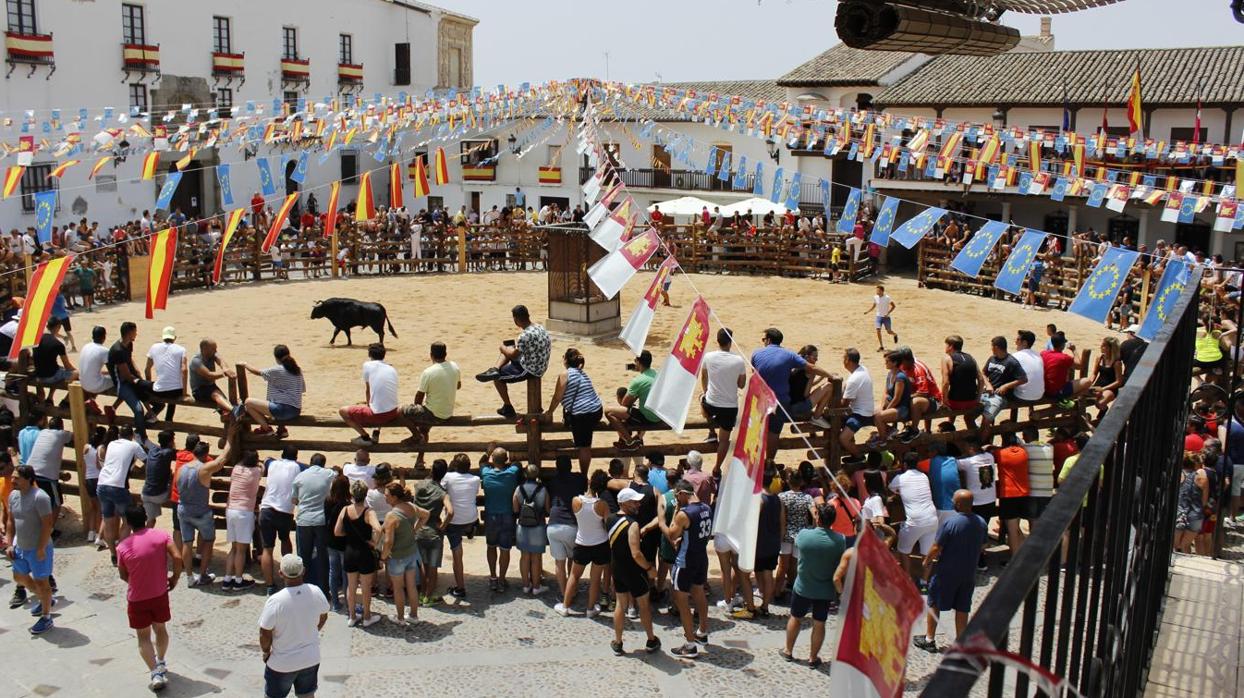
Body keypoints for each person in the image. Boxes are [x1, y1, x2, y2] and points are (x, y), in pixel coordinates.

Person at [116, 503, 182, 691]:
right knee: (160, 629)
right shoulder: (161, 536)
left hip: (137, 597)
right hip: (160, 593)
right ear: (145, 517)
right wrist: (175, 577)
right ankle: (161, 661)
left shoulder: (123, 547)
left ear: (128, 522)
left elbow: (122, 574)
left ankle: (154, 672)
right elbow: (177, 557)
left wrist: (135, 581)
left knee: (143, 637)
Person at [914, 489, 988, 653]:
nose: (953, 503)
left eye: (954, 501)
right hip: (968, 573)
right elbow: (984, 545)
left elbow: (936, 546)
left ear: (960, 504)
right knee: (962, 607)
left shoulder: (951, 523)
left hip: (946, 572)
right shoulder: (981, 522)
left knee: (934, 602)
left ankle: (929, 639)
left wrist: (926, 561)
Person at [780, 502, 845, 668]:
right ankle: (813, 657)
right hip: (825, 589)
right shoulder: (839, 540)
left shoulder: (804, 535)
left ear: (817, 517)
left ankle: (788, 650)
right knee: (819, 622)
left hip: (803, 585)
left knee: (795, 617)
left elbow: (797, 544)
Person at [751, 328, 830, 461]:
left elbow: (754, 376)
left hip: (760, 399)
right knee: (774, 433)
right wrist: (829, 375)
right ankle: (769, 462)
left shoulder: (756, 353)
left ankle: (755, 462)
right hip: (781, 402)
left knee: (757, 431)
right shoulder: (789, 355)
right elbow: (812, 368)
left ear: (768, 340)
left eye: (764, 339)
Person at [258, 554, 330, 698]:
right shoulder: (315, 591)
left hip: (282, 663)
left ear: (280, 573)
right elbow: (324, 615)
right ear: (303, 571)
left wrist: (266, 651)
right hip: (310, 658)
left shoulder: (275, 601)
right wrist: (311, 630)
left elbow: (264, 632)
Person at [608, 487, 661, 656]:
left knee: (620, 604)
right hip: (634, 571)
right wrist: (649, 568)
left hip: (617, 569)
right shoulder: (633, 524)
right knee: (644, 605)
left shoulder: (609, 519)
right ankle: (651, 639)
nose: (638, 504)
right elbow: (636, 553)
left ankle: (617, 641)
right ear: (624, 503)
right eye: (634, 502)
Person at [475, 304, 551, 419]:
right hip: (539, 362)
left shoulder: (524, 335)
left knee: (498, 378)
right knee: (509, 346)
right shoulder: (539, 327)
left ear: (515, 319)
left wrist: (502, 348)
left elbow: (513, 354)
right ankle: (494, 369)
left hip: (530, 369)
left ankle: (508, 407)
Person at [5, 465, 55, 634]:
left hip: (38, 548)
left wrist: (41, 548)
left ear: (28, 479)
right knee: (19, 577)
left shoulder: (40, 497)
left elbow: (47, 525)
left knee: (42, 582)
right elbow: (11, 521)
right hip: (20, 547)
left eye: (16, 478)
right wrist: (9, 543)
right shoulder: (13, 496)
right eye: (13, 477)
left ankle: (47, 616)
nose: (12, 480)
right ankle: (45, 599)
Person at [177, 439, 232, 588]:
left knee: (187, 543)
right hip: (200, 512)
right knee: (208, 541)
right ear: (206, 454)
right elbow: (222, 459)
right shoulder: (204, 469)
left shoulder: (182, 468)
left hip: (183, 509)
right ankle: (203, 575)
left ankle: (189, 576)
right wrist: (230, 440)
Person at [556, 469, 610, 617]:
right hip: (600, 543)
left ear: (589, 482)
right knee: (595, 578)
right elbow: (607, 525)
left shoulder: (576, 501)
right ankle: (590, 608)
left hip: (582, 543)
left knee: (574, 575)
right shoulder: (602, 504)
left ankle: (565, 606)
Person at [668, 479, 712, 658]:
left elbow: (671, 533)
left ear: (682, 494)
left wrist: (672, 516)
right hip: (701, 556)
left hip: (685, 560)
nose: (677, 500)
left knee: (682, 600)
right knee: (699, 593)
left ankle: (690, 644)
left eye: (677, 497)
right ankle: (702, 631)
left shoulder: (684, 514)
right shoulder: (706, 508)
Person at [545, 347, 604, 474]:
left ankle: (584, 475)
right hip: (597, 410)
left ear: (565, 360)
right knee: (585, 441)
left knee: (584, 447)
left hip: (583, 415)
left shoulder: (564, 375)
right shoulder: (582, 373)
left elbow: (557, 397)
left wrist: (549, 412)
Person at [380, 482, 429, 626]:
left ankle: (400, 617)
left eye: (387, 495)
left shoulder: (391, 516)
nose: (385, 497)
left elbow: (388, 542)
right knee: (412, 585)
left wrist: (382, 557)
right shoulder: (411, 507)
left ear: (395, 497)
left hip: (397, 557)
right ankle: (413, 615)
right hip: (411, 552)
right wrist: (415, 529)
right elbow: (426, 515)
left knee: (398, 588)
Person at [97, 426, 148, 561]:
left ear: (119, 435)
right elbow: (147, 460)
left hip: (102, 483)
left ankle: (113, 554)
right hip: (118, 486)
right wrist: (140, 471)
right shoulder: (134, 445)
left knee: (108, 521)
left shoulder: (112, 444)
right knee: (127, 521)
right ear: (131, 435)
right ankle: (121, 553)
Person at [400, 341, 460, 453]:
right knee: (424, 428)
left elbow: (419, 396)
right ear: (445, 354)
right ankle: (420, 459)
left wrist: (417, 409)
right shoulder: (455, 367)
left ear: (431, 355)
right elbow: (458, 386)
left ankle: (416, 435)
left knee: (400, 411)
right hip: (448, 412)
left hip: (433, 413)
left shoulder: (428, 372)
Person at [335, 480, 381, 627]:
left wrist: (347, 535)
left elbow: (337, 531)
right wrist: (374, 542)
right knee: (366, 587)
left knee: (351, 585)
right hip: (364, 552)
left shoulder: (345, 510)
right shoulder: (369, 512)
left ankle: (352, 616)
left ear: (352, 494)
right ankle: (367, 616)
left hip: (350, 551)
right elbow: (379, 529)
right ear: (365, 494)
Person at [236, 345, 306, 438]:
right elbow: (302, 390)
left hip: (282, 411)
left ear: (276, 358)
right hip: (296, 410)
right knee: (278, 397)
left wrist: (245, 364)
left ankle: (266, 429)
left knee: (248, 403)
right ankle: (281, 429)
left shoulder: (277, 370)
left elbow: (257, 372)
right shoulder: (297, 370)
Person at [890, 452, 939, 584]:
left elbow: (892, 488)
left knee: (903, 550)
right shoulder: (923, 476)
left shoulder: (900, 478)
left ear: (904, 464)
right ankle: (924, 582)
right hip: (931, 518)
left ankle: (907, 578)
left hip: (915, 521)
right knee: (926, 553)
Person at [259, 446, 302, 595]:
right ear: (296, 457)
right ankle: (288, 577)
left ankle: (270, 585)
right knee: (285, 540)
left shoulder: (273, 463)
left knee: (267, 549)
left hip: (266, 509)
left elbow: (267, 459)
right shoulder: (297, 467)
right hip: (284, 511)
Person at [700, 328, 747, 465]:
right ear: (730, 341)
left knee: (701, 399)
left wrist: (705, 391)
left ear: (718, 341)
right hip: (730, 407)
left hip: (711, 404)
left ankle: (711, 431)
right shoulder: (738, 360)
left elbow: (703, 377)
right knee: (725, 440)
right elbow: (741, 385)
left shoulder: (708, 357)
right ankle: (717, 467)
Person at [292, 453, 336, 596]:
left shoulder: (300, 477)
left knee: (303, 555)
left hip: (304, 520)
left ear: (310, 462)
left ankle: (302, 587)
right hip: (320, 520)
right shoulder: (328, 473)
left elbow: (294, 500)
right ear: (324, 463)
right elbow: (336, 473)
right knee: (323, 555)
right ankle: (324, 589)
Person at [341, 343, 399, 447]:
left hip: (379, 415)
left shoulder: (367, 365)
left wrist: (368, 405)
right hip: (393, 411)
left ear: (370, 355)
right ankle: (376, 431)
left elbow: (368, 390)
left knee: (343, 411)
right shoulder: (391, 368)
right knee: (380, 400)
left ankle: (364, 437)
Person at [440, 453, 480, 599]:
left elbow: (442, 487)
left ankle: (460, 587)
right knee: (471, 515)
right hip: (470, 517)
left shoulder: (448, 478)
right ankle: (470, 529)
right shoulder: (475, 479)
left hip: (454, 521)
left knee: (457, 555)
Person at [605, 350, 662, 451]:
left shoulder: (638, 381)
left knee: (608, 412)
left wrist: (636, 395)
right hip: (660, 414)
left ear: (638, 362)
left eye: (635, 361)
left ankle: (630, 442)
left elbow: (625, 403)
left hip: (649, 418)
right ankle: (638, 437)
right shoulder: (657, 374)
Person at [546, 455, 585, 597]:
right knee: (572, 560)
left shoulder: (552, 481)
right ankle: (572, 590)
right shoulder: (579, 479)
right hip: (572, 524)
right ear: (570, 466)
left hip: (553, 524)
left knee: (559, 563)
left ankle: (564, 594)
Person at [481, 447, 520, 591]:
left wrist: (488, 453)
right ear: (506, 460)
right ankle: (502, 580)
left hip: (491, 516)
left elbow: (482, 462)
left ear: (492, 460)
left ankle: (493, 577)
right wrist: (513, 459)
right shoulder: (512, 473)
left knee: (491, 546)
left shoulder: (486, 473)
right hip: (507, 515)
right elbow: (517, 464)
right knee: (505, 549)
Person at [108, 322, 154, 440]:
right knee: (139, 410)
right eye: (135, 331)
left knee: (148, 396)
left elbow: (130, 360)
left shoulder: (128, 345)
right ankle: (141, 435)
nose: (136, 334)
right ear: (129, 333)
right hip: (121, 383)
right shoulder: (117, 350)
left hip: (129, 378)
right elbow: (126, 375)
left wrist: (137, 372)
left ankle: (114, 409)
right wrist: (139, 381)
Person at [957, 436, 997, 569]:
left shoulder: (967, 462)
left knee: (975, 532)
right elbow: (988, 450)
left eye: (966, 447)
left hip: (977, 502)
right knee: (983, 529)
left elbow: (954, 462)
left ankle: (979, 560)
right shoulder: (990, 457)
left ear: (971, 448)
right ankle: (981, 558)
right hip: (990, 499)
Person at [414, 459, 450, 604]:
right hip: (434, 531)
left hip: (419, 529)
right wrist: (443, 526)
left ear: (431, 471)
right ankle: (429, 596)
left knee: (423, 564)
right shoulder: (442, 492)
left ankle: (422, 593)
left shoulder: (419, 486)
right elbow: (451, 512)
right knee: (433, 566)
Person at [224, 450, 262, 592]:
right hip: (244, 512)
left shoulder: (236, 469)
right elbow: (262, 467)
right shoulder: (256, 472)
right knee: (241, 550)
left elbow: (240, 463)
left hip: (231, 510)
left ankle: (227, 579)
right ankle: (238, 580)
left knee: (233, 548)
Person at [992, 432, 1031, 554]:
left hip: (1009, 494)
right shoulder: (1024, 452)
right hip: (1024, 493)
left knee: (1012, 530)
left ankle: (1015, 558)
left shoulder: (1000, 453)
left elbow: (991, 454)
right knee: (1016, 526)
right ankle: (1024, 552)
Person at [513, 463, 549, 595]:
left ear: (525, 475)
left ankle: (525, 585)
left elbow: (515, 508)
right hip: (538, 526)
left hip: (523, 526)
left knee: (524, 557)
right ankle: (536, 586)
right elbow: (548, 509)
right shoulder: (543, 490)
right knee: (536, 558)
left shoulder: (519, 489)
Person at [981, 336, 1028, 436]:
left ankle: (981, 444)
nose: (991, 349)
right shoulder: (992, 359)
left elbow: (1023, 379)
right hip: (988, 393)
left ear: (996, 347)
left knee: (986, 420)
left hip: (1001, 397)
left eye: (992, 347)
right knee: (970, 415)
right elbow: (983, 373)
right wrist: (988, 384)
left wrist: (1006, 386)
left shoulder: (1012, 362)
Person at [838, 348, 876, 464]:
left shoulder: (854, 379)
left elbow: (844, 404)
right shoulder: (862, 369)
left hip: (860, 414)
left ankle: (859, 457)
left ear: (848, 360)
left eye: (844, 358)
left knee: (843, 438)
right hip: (865, 410)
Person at [145, 326, 187, 424]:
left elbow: (147, 369)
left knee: (140, 386)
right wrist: (184, 392)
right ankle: (168, 420)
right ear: (175, 338)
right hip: (177, 391)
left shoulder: (154, 347)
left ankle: (151, 413)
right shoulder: (181, 349)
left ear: (163, 337)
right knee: (173, 388)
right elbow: (184, 370)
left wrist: (149, 382)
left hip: (160, 390)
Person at [940, 335, 984, 428]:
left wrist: (944, 401)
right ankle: (951, 424)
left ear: (951, 346)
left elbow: (946, 383)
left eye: (946, 345)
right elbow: (981, 379)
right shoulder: (971, 358)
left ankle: (949, 426)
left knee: (947, 399)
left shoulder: (947, 358)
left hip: (955, 403)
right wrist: (977, 399)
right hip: (972, 401)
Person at [32, 317, 77, 406]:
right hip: (50, 376)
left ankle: (50, 397)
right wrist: (75, 371)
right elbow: (68, 366)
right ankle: (65, 401)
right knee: (76, 374)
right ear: (59, 327)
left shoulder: (36, 340)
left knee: (59, 369)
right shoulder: (58, 344)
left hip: (39, 374)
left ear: (47, 326)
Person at [189, 338, 237, 418]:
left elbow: (220, 360)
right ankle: (234, 411)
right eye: (213, 349)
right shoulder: (196, 361)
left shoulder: (212, 354)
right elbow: (209, 376)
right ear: (205, 349)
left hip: (211, 387)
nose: (216, 351)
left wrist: (225, 369)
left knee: (224, 405)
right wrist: (224, 373)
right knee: (217, 396)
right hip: (199, 390)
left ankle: (230, 417)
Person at [873, 350, 912, 445]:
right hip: (892, 405)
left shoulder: (900, 377)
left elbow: (897, 398)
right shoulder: (890, 374)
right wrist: (882, 407)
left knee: (878, 417)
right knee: (872, 413)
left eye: (887, 361)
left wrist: (885, 410)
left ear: (894, 363)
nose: (885, 363)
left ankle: (883, 440)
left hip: (901, 408)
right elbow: (885, 393)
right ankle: (890, 430)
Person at [140, 429, 176, 528]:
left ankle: (144, 540)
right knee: (175, 477)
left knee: (151, 521)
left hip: (146, 493)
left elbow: (147, 442)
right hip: (160, 495)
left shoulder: (152, 450)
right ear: (170, 442)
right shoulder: (168, 452)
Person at [1175, 451, 1209, 554]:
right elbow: (1204, 500)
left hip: (1179, 513)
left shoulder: (1178, 476)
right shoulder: (1202, 478)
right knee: (1186, 545)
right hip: (1196, 515)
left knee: (1175, 546)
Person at [1090, 336, 1125, 416]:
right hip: (1098, 385)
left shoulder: (1117, 363)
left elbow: (1119, 381)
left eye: (1104, 346)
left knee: (1100, 403)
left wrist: (1104, 388)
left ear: (1110, 348)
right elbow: (1094, 373)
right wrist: (1090, 382)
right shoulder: (1099, 358)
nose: (1101, 347)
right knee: (1086, 399)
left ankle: (1102, 416)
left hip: (1111, 388)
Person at [79, 325, 114, 399]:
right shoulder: (104, 351)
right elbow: (112, 371)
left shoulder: (86, 346)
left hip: (83, 383)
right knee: (119, 381)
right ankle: (114, 406)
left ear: (93, 336)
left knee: (100, 376)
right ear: (104, 337)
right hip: (94, 386)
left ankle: (91, 400)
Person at [1012, 330, 1046, 404]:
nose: (1015, 342)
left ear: (1024, 343)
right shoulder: (1038, 355)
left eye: (1018, 340)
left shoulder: (1016, 356)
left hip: (1023, 396)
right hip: (1039, 395)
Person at [866, 284, 898, 351]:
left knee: (889, 331)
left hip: (886, 317)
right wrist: (868, 311)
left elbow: (893, 306)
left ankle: (895, 334)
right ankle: (881, 346)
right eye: (876, 290)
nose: (877, 292)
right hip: (878, 316)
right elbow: (874, 305)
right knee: (878, 330)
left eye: (878, 290)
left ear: (882, 291)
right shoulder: (875, 297)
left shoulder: (887, 297)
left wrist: (888, 313)